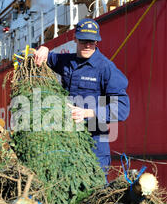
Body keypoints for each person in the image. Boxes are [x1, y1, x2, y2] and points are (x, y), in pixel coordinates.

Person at [34, 18, 130, 175]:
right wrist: (43, 49)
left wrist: (88, 113)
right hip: (67, 142)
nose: (87, 45)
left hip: (95, 145)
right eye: (83, 40)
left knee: (95, 191)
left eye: (91, 41)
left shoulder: (106, 68)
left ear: (97, 42)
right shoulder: (65, 61)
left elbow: (123, 108)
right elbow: (45, 57)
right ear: (75, 39)